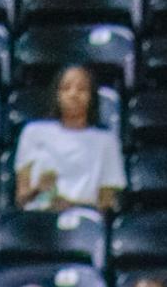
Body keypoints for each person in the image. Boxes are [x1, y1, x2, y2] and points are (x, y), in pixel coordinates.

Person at [13, 64, 126, 214]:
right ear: (57, 95)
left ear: (91, 97)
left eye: (82, 89)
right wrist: (38, 189)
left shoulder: (106, 141)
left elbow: (106, 202)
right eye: (66, 88)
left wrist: (72, 205)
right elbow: (21, 199)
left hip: (84, 221)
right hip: (38, 219)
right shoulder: (33, 132)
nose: (73, 94)